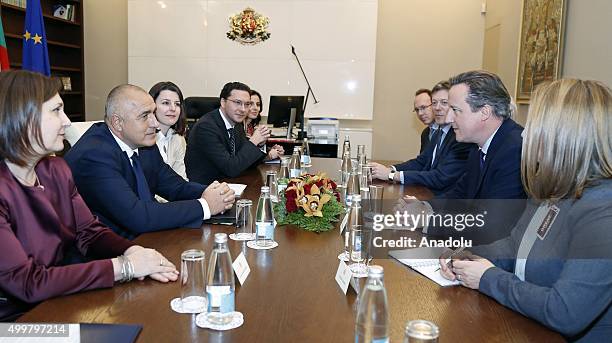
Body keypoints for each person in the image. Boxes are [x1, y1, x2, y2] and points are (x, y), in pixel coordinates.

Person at [440, 79, 612, 341]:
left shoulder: (603, 211)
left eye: (534, 125)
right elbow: (514, 245)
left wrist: (488, 278)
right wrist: (467, 256)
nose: (524, 134)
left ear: (566, 135)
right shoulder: (553, 187)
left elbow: (564, 312)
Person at [0, 70, 178, 321]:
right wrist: (124, 267)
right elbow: (28, 283)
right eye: (55, 111)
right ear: (20, 118)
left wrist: (133, 252)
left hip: (62, 298)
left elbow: (89, 233)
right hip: (16, 323)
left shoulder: (56, 171)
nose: (66, 122)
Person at [64, 84, 235, 239]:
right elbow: (137, 216)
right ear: (117, 122)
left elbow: (175, 186)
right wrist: (204, 206)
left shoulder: (143, 143)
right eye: (145, 116)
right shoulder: (94, 156)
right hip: (108, 254)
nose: (156, 124)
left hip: (146, 240)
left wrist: (215, 193)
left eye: (153, 113)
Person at [398, 71, 526, 244]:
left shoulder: (514, 149)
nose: (449, 118)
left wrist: (427, 221)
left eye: (456, 110)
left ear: (484, 112)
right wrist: (425, 206)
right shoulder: (477, 144)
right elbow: (459, 193)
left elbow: (492, 227)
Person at [370, 81, 472, 194]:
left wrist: (391, 175)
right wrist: (390, 169)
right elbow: (421, 162)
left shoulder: (461, 137)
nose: (437, 108)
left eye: (444, 102)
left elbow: (441, 177)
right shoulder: (438, 132)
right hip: (429, 192)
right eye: (434, 103)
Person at [185, 82, 271, 184]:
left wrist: (259, 144)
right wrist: (253, 141)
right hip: (205, 188)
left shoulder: (236, 123)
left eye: (247, 104)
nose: (243, 109)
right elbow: (231, 168)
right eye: (237, 102)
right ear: (223, 102)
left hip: (227, 183)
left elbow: (244, 161)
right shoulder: (206, 127)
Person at [149, 81, 188, 180]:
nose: (173, 108)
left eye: (177, 104)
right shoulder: (143, 139)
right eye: (166, 103)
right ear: (151, 106)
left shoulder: (178, 139)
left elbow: (181, 179)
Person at [246, 89, 284, 160]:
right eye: (251, 104)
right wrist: (269, 156)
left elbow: (254, 150)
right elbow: (246, 157)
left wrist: (271, 150)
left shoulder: (250, 127)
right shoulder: (239, 128)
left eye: (258, 104)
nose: (255, 108)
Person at [413, 88, 436, 153]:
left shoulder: (449, 131)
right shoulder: (425, 133)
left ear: (434, 105)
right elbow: (422, 161)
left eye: (423, 107)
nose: (420, 113)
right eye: (417, 110)